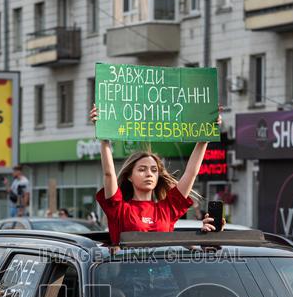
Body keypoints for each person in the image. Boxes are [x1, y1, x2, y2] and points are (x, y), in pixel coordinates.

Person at [90, 104, 218, 244]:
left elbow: (191, 173)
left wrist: (205, 138)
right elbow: (109, 174)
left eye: (154, 170)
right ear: (129, 177)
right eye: (142, 169)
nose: (149, 174)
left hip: (164, 266)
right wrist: (103, 135)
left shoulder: (167, 208)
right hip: (126, 266)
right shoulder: (119, 208)